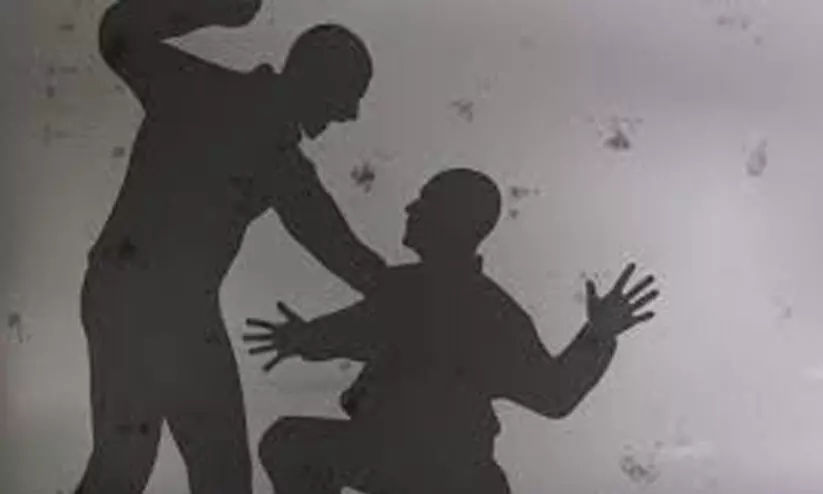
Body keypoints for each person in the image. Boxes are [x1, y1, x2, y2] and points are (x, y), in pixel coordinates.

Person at [75, 0, 386, 492]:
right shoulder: (203, 93)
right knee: (132, 463)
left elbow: (336, 244)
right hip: (138, 296)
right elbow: (119, 34)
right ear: (317, 79)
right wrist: (213, 8)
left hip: (170, 305)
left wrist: (408, 288)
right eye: (348, 96)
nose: (350, 114)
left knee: (190, 471)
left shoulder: (276, 155)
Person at [245, 168, 661, 494]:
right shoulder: (450, 298)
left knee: (289, 443)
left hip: (441, 469)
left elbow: (552, 395)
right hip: (413, 459)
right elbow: (354, 331)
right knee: (290, 443)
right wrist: (303, 339)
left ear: (450, 221)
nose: (410, 208)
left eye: (424, 201)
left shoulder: (454, 301)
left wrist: (598, 336)